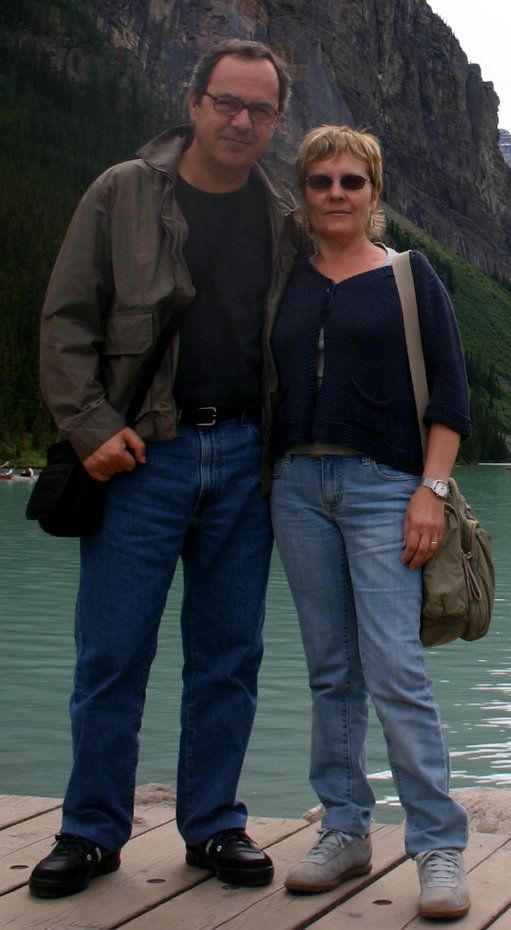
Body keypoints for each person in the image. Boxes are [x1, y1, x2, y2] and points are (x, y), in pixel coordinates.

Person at [30, 39, 300, 899]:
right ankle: (91, 830)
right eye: (227, 102)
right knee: (112, 651)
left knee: (229, 656)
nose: (241, 120)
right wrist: (90, 428)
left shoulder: (284, 212)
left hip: (246, 461)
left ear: (275, 121)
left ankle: (213, 824)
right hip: (141, 457)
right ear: (192, 102)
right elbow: (66, 320)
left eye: (259, 109)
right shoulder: (122, 191)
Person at [268, 126, 471, 920]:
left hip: (386, 488)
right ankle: (344, 829)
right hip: (296, 486)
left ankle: (438, 846)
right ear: (303, 192)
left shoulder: (409, 277)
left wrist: (430, 490)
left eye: (351, 181)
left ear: (374, 193)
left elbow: (449, 394)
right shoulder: (285, 280)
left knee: (394, 667)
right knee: (330, 668)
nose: (336, 194)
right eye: (320, 181)